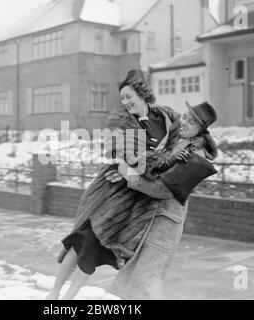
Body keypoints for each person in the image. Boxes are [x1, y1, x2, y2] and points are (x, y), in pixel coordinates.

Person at [46, 70, 217, 300]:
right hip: (114, 189)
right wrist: (129, 165)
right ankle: (55, 294)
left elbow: (191, 134)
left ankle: (68, 297)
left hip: (138, 198)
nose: (125, 102)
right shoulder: (122, 122)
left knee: (97, 247)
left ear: (143, 94)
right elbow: (120, 153)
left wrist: (189, 151)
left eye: (129, 96)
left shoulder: (167, 118)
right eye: (122, 99)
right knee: (84, 237)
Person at [107, 100, 218, 299]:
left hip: (162, 229)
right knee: (127, 285)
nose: (184, 122)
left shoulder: (197, 157)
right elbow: (150, 167)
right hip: (148, 220)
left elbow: (162, 189)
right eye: (185, 116)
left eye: (191, 122)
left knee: (145, 285)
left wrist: (127, 173)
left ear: (201, 130)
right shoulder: (176, 142)